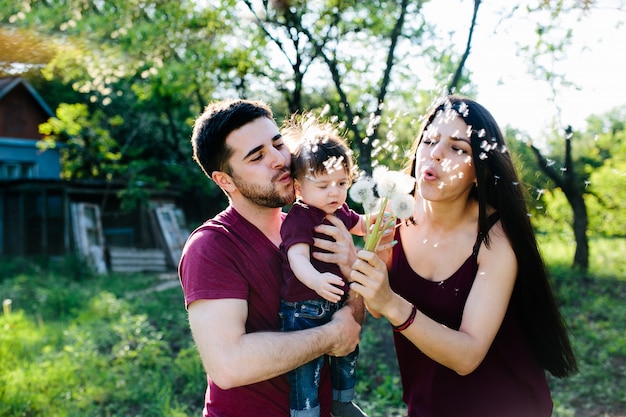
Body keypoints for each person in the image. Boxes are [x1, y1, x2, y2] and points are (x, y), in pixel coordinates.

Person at [349, 95, 578, 417]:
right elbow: (375, 305)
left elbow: (467, 356)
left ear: (478, 172)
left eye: (458, 148)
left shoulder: (496, 238)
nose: (435, 154)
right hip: (427, 405)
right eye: (429, 140)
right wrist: (367, 266)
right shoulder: (393, 214)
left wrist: (391, 303)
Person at [179, 99, 362, 417]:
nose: (279, 160)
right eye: (257, 156)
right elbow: (229, 365)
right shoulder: (211, 247)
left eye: (278, 144)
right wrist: (331, 336)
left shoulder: (314, 225)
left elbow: (351, 322)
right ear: (225, 180)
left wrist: (352, 273)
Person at [279, 114, 368, 417]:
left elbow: (362, 225)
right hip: (304, 307)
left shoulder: (340, 209)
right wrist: (316, 280)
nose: (334, 192)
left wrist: (383, 220)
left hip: (335, 302)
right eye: (323, 185)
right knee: (306, 366)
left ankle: (343, 400)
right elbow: (297, 257)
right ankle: (305, 411)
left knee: (347, 352)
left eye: (342, 183)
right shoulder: (300, 217)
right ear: (299, 187)